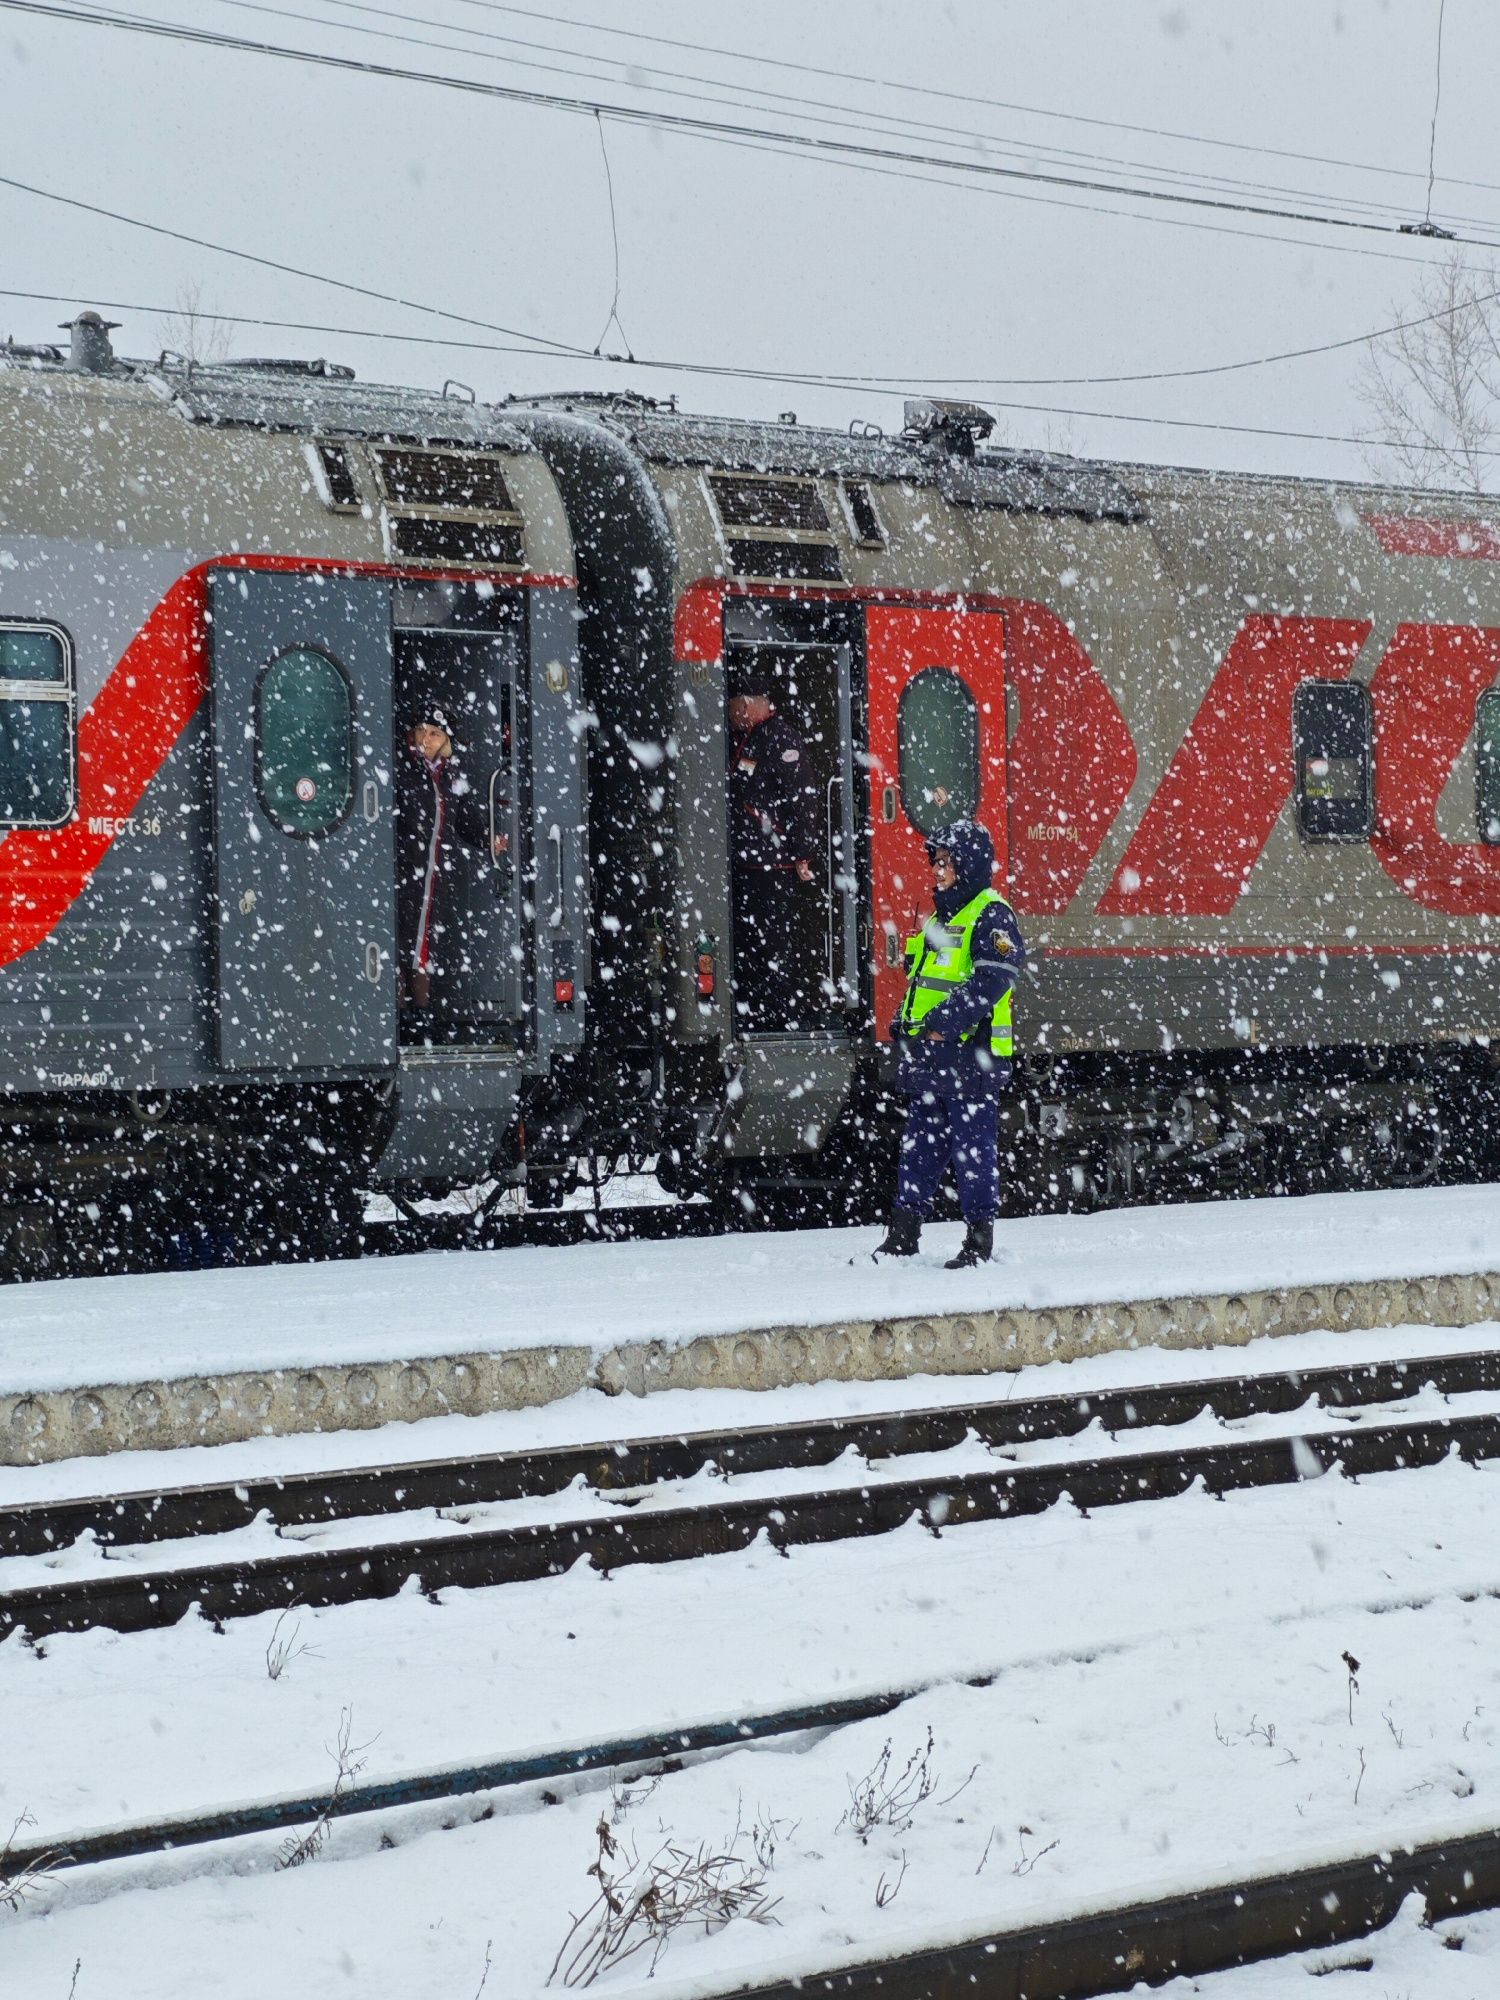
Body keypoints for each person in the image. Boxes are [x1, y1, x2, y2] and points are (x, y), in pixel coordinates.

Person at [873, 819, 1025, 1268]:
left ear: (969, 864)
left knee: (973, 1153)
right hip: (934, 1056)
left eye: (946, 862)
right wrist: (907, 1022)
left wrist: (944, 1023)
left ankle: (979, 1243)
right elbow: (925, 980)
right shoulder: (944, 917)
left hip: (971, 1058)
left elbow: (995, 978)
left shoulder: (991, 913)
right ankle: (903, 1236)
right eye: (936, 862)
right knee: (920, 1148)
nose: (937, 871)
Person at [396, 705, 507, 1012]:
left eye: (434, 733)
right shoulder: (401, 767)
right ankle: (401, 1017)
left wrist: (488, 839)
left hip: (433, 878)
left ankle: (420, 1017)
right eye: (422, 730)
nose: (426, 739)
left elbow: (465, 818)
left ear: (445, 740)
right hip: (403, 872)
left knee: (423, 949)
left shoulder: (451, 774)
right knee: (399, 945)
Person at [727, 670, 820, 1029]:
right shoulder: (749, 737)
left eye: (733, 707)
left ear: (746, 706)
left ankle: (782, 1017)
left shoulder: (780, 737)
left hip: (774, 863)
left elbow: (803, 798)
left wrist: (802, 852)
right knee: (752, 942)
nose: (730, 714)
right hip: (750, 862)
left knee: (774, 943)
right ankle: (756, 1013)